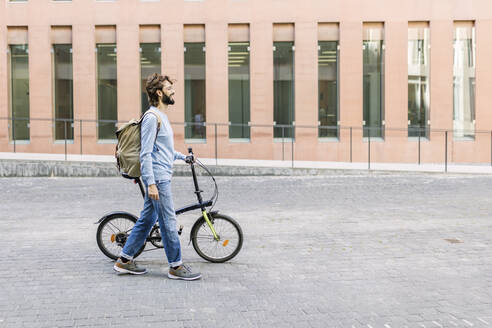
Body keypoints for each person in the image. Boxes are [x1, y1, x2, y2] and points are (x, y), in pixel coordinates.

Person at [113, 73, 202, 281]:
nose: (173, 91)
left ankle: (124, 261)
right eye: (170, 89)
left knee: (147, 219)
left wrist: (183, 157)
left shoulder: (162, 117)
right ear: (160, 93)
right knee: (168, 222)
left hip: (161, 175)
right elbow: (145, 153)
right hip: (158, 179)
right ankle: (175, 266)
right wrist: (151, 183)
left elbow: (163, 150)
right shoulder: (152, 118)